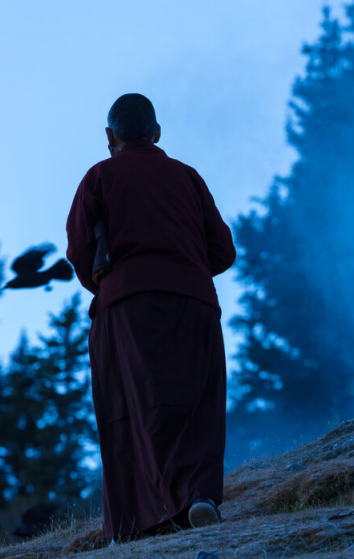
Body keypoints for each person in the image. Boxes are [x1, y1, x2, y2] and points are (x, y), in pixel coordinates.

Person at [66, 93, 236, 542]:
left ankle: (139, 520)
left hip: (127, 305)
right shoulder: (187, 177)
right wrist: (183, 266)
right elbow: (223, 249)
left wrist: (112, 278)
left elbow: (81, 251)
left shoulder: (99, 177)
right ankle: (199, 496)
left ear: (109, 137)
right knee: (196, 402)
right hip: (195, 302)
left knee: (134, 406)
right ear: (156, 133)